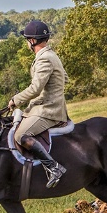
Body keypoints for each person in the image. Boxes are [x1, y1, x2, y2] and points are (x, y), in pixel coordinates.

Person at [10, 20, 69, 188]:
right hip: (44, 105)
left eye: (28, 39)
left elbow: (36, 88)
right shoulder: (51, 55)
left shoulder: (45, 59)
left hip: (48, 110)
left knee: (20, 135)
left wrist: (16, 100)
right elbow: (65, 78)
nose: (27, 42)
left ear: (33, 41)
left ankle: (53, 168)